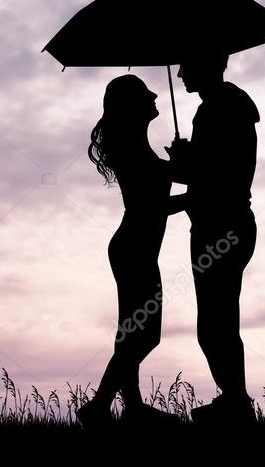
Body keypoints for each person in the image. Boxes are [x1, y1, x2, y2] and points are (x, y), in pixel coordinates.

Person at [77, 74, 185, 427]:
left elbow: (171, 178)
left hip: (135, 249)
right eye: (144, 93)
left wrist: (182, 163)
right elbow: (150, 207)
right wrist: (196, 194)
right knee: (143, 334)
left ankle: (129, 408)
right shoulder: (133, 149)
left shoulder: (138, 146)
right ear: (131, 106)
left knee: (133, 332)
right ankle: (101, 405)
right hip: (134, 249)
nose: (155, 94)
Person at [167, 51, 259, 425]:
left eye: (185, 66)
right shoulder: (230, 106)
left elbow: (214, 179)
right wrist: (188, 161)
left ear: (205, 66)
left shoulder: (214, 110)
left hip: (218, 228)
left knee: (214, 324)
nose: (179, 74)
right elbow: (217, 173)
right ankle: (234, 399)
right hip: (231, 222)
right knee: (220, 321)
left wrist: (183, 163)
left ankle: (236, 402)